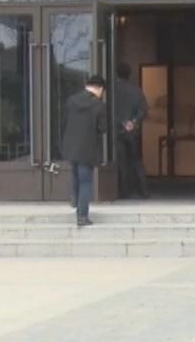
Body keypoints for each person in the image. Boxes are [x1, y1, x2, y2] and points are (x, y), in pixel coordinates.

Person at [60, 74, 107, 226]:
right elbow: (103, 128)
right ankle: (82, 216)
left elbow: (64, 121)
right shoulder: (99, 105)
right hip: (88, 149)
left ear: (87, 85)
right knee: (86, 182)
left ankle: (75, 198)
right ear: (100, 89)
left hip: (71, 147)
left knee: (75, 175)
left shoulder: (71, 101)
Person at [113, 61, 150, 199]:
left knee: (121, 162)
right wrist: (133, 121)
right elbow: (144, 109)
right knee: (137, 161)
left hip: (117, 130)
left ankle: (124, 192)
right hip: (133, 131)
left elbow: (109, 110)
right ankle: (144, 191)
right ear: (129, 75)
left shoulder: (112, 91)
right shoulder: (136, 90)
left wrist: (122, 122)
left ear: (116, 74)